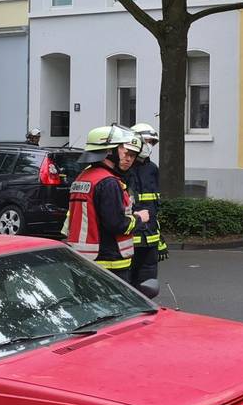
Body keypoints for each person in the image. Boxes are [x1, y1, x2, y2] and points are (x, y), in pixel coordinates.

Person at [63, 125, 149, 280]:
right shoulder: (108, 182)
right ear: (110, 151)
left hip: (81, 259)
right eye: (125, 151)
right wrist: (140, 218)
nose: (129, 159)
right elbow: (116, 224)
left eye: (133, 155)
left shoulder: (83, 177)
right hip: (109, 263)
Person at [127, 123, 166, 292]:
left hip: (150, 241)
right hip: (130, 238)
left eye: (152, 142)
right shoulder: (125, 169)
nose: (149, 146)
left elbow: (153, 209)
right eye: (147, 141)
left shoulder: (152, 169)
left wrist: (160, 240)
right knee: (127, 284)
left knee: (148, 284)